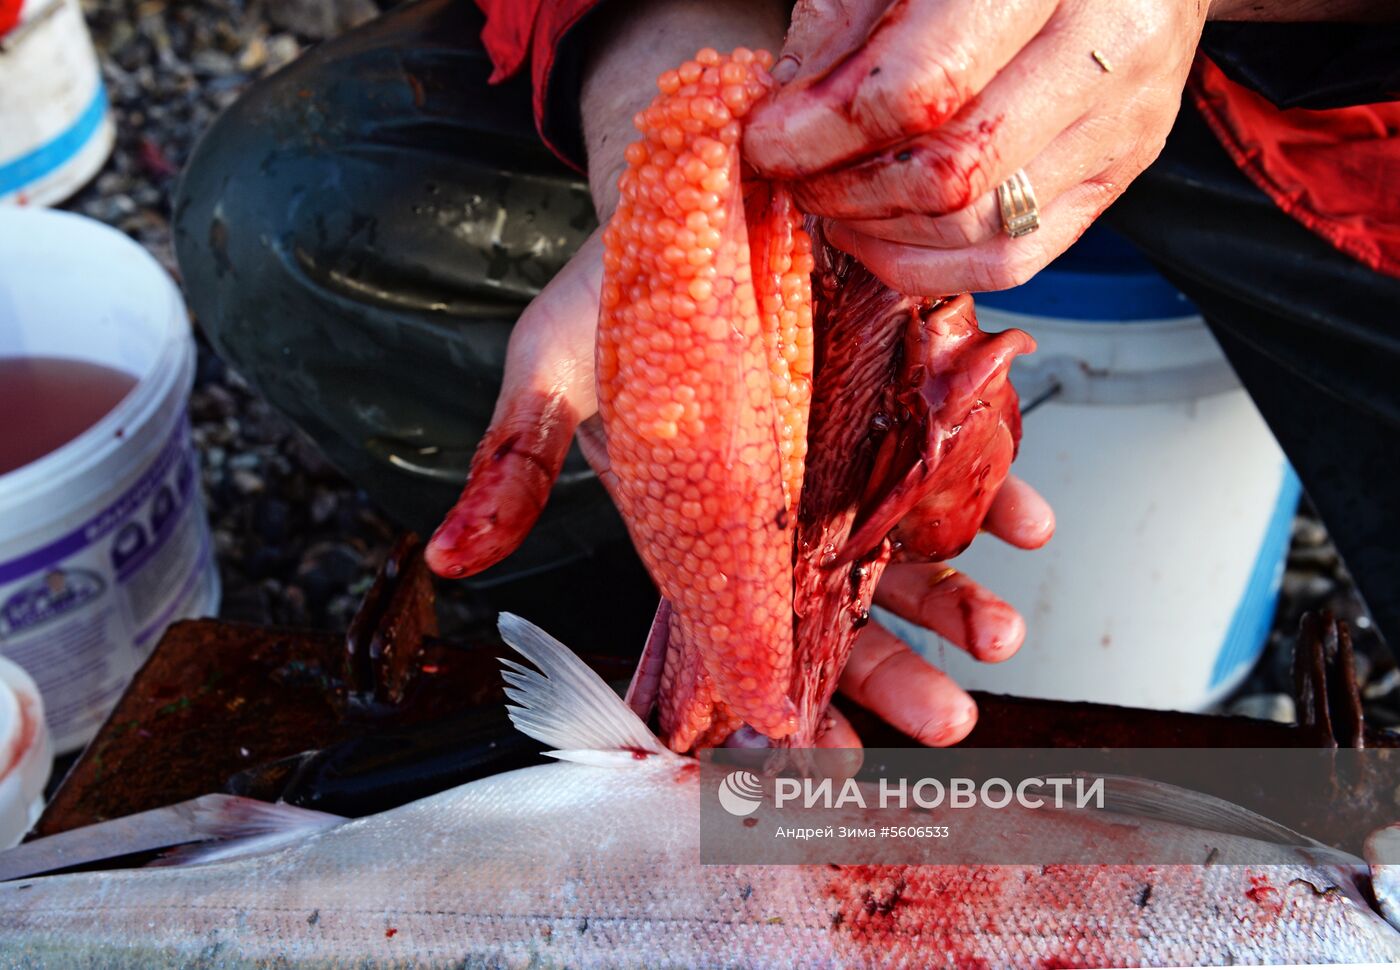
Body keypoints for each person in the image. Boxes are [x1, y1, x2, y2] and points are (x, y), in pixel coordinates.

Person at [175, 0, 1400, 746]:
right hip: (799, 48)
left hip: (1349, 142)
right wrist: (665, 98)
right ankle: (656, 669)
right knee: (301, 214)